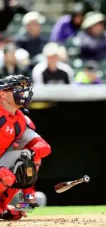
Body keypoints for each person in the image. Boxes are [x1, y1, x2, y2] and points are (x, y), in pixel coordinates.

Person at [0, 74, 51, 220]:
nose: (22, 93)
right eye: (17, 89)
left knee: (30, 157)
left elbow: (44, 147)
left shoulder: (20, 119)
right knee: (5, 174)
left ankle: (4, 206)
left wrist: (29, 198)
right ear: (2, 94)